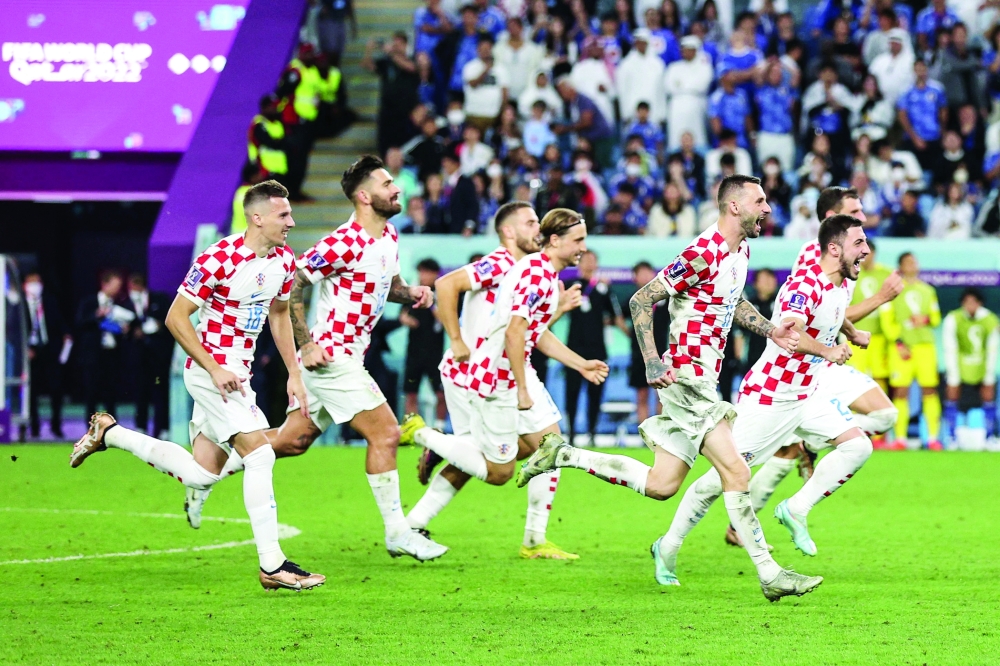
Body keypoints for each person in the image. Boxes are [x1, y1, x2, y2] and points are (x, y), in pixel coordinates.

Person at [517, 175, 823, 601]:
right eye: (760, 201)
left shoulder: (741, 250)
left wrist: (771, 329)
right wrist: (652, 360)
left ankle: (564, 454)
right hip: (687, 377)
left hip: (704, 378)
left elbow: (732, 301)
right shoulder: (703, 252)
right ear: (735, 206)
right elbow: (641, 299)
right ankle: (770, 575)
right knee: (737, 472)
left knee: (662, 484)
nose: (768, 208)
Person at [183, 157, 448, 563]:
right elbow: (295, 283)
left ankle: (205, 477)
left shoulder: (388, 235)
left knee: (293, 442)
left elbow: (389, 284)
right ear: (364, 196)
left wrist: (410, 293)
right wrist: (306, 345)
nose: (397, 189)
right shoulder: (343, 242)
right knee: (386, 434)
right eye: (387, 184)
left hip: (345, 355)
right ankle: (399, 534)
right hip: (331, 356)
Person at [70, 180, 325, 591]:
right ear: (257, 218)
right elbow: (176, 317)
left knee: (202, 475)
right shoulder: (218, 258)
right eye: (284, 215)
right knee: (261, 455)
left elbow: (279, 315)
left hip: (238, 374)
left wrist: (294, 374)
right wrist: (214, 368)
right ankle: (273, 565)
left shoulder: (283, 259)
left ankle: (110, 433)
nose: (291, 222)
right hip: (211, 373)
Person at [658, 215, 876, 573]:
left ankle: (796, 509)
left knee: (858, 447)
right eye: (859, 243)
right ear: (834, 249)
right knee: (719, 481)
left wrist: (850, 332)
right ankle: (668, 545)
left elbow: (832, 313)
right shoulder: (805, 283)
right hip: (771, 397)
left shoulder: (839, 285)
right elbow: (791, 333)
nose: (866, 250)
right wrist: (828, 350)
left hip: (808, 394)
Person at [399, 208, 608, 554]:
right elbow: (447, 284)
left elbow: (528, 332)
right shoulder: (501, 264)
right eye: (530, 223)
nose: (537, 228)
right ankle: (428, 442)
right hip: (475, 375)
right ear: (508, 232)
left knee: (539, 446)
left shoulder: (533, 269)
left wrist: (569, 337)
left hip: (504, 372)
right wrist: (456, 339)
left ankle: (529, 538)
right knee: (496, 467)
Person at [881, 252, 943, 449]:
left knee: (929, 389)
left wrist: (925, 319)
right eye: (908, 262)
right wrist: (899, 343)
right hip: (901, 348)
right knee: (901, 391)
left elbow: (936, 318)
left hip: (925, 347)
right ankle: (900, 438)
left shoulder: (928, 290)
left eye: (914, 262)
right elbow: (887, 321)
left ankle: (932, 438)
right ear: (900, 267)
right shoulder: (892, 291)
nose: (913, 265)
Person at [563, 251, 625, 445]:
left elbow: (615, 316)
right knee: (572, 393)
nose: (590, 263)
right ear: (579, 263)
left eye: (593, 260)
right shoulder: (571, 286)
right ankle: (571, 434)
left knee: (595, 393)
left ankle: (592, 433)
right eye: (586, 259)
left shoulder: (603, 288)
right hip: (574, 349)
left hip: (597, 350)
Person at [943, 289, 999, 444]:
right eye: (967, 303)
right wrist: (953, 370)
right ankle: (951, 437)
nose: (970, 306)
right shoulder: (953, 318)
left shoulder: (990, 319)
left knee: (988, 393)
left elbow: (992, 348)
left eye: (974, 302)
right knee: (952, 391)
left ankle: (990, 437)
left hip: (982, 362)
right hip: (959, 362)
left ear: (980, 303)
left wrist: (988, 371)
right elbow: (950, 346)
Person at [76, 270, 133, 420]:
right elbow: (80, 323)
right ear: (105, 284)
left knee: (111, 392)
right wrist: (97, 315)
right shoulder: (89, 302)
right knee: (91, 392)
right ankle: (90, 425)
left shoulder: (120, 304)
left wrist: (125, 329)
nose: (117, 289)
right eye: (115, 285)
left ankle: (112, 424)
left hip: (111, 354)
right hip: (93, 355)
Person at [125, 273, 173, 438]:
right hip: (139, 359)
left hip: (158, 359)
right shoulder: (126, 304)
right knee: (140, 393)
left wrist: (159, 326)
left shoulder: (159, 300)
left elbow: (170, 321)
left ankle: (163, 429)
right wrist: (132, 332)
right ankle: (141, 427)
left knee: (160, 394)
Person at [401, 259, 447, 427]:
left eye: (427, 272)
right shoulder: (412, 294)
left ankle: (439, 426)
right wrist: (406, 320)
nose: (424, 276)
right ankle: (412, 427)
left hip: (435, 353)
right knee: (411, 393)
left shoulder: (442, 295)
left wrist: (433, 305)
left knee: (441, 394)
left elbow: (445, 319)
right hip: (414, 352)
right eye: (421, 272)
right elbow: (403, 315)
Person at [22, 273, 68, 440]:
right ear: (25, 285)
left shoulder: (49, 302)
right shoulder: (20, 305)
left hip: (49, 349)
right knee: (31, 391)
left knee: (56, 388)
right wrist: (25, 349)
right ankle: (33, 426)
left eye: (38, 282)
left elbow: (60, 323)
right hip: (29, 353)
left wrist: (66, 335)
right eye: (31, 282)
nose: (35, 285)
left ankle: (56, 425)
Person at [846, 240, 894, 397]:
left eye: (868, 253)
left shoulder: (886, 274)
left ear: (874, 254)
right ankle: (855, 410)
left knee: (880, 376)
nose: (865, 257)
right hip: (853, 335)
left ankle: (880, 408)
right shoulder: (849, 274)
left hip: (879, 336)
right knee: (854, 376)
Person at [363, 33, 419, 157]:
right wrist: (369, 49)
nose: (396, 47)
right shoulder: (387, 62)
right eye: (394, 44)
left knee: (403, 142)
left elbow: (411, 68)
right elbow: (367, 66)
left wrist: (391, 54)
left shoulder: (412, 58)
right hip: (387, 109)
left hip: (405, 110)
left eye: (399, 44)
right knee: (385, 142)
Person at [628, 261, 670, 425]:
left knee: (661, 395)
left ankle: (660, 431)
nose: (645, 276)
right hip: (638, 354)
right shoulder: (632, 300)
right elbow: (617, 318)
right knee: (642, 395)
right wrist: (632, 335)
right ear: (635, 277)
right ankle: (644, 432)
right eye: (641, 273)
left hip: (661, 352)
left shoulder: (665, 300)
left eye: (648, 272)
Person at [896, 60, 948, 172]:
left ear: (927, 70)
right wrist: (914, 137)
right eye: (917, 69)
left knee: (936, 169)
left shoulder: (937, 88)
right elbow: (902, 115)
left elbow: (943, 110)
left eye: (923, 69)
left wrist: (943, 131)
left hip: (934, 136)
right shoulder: (905, 91)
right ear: (913, 71)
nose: (920, 72)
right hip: (913, 137)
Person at [664, 35, 713, 149]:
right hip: (676, 104)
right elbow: (669, 87)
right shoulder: (674, 67)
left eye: (688, 49)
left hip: (696, 103)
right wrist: (688, 86)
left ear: (695, 50)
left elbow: (701, 86)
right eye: (683, 49)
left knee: (697, 134)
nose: (685, 52)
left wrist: (681, 85)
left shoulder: (704, 67)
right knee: (675, 134)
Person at [617, 29, 667, 126]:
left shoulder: (657, 64)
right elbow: (622, 90)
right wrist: (625, 113)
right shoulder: (626, 64)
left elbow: (661, 90)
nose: (641, 45)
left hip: (654, 110)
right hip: (632, 110)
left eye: (643, 42)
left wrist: (662, 113)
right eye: (638, 43)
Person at [462, 34, 510, 132]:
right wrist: (486, 70)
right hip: (473, 113)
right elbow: (473, 84)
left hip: (493, 114)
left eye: (487, 48)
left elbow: (505, 92)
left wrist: (502, 112)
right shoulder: (470, 67)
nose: (485, 51)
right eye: (482, 48)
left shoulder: (501, 68)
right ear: (477, 49)